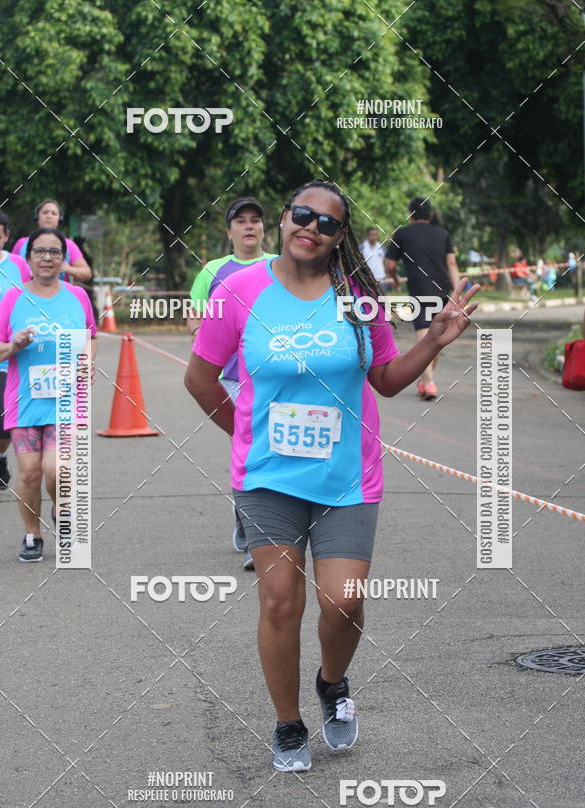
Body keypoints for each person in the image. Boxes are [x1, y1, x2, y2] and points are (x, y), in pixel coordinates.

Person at [185, 179, 479, 772]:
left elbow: (388, 379)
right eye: (301, 215)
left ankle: (331, 682)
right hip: (268, 478)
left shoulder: (356, 297)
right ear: (285, 219)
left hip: (347, 476)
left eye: (326, 223)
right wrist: (246, 438)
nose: (310, 228)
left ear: (339, 236)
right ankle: (288, 725)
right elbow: (200, 378)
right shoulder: (238, 290)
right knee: (278, 601)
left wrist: (435, 340)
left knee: (343, 601)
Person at [0, 227, 97, 562]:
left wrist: (86, 361)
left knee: (56, 470)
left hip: (67, 400)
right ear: (28, 256)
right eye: (40, 251)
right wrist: (13, 345)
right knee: (30, 472)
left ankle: (60, 510)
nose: (47, 257)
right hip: (24, 402)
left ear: (63, 258)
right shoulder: (14, 298)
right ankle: (32, 534)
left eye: (54, 251)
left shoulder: (77, 297)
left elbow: (90, 335)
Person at [186, 197, 275, 571]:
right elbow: (195, 316)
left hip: (273, 377)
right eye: (241, 221)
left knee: (273, 449)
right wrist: (207, 345)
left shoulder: (278, 267)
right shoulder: (213, 271)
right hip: (232, 380)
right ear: (229, 231)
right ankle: (254, 529)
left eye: (256, 220)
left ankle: (267, 527)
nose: (249, 226)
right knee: (250, 450)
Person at [385, 197, 460, 400]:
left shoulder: (402, 234)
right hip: (443, 291)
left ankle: (428, 382)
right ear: (431, 215)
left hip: (419, 291)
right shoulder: (442, 234)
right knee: (436, 339)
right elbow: (452, 264)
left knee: (426, 336)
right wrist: (457, 291)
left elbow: (390, 264)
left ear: (410, 215)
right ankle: (428, 382)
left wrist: (394, 279)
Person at [0, 209, 31, 504]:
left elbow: (30, 299)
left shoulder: (17, 266)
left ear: (6, 237)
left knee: (3, 424)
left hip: (7, 356)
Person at [12, 199, 92, 283]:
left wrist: (68, 269)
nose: (49, 216)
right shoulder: (21, 243)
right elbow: (10, 270)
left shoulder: (69, 245)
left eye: (54, 213)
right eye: (45, 212)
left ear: (59, 219)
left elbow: (87, 273)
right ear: (37, 217)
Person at [359, 227, 388, 293]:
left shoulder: (382, 247)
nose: (373, 236)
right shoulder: (362, 247)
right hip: (367, 279)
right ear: (368, 235)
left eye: (375, 234)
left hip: (381, 279)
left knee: (382, 300)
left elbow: (385, 262)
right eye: (371, 234)